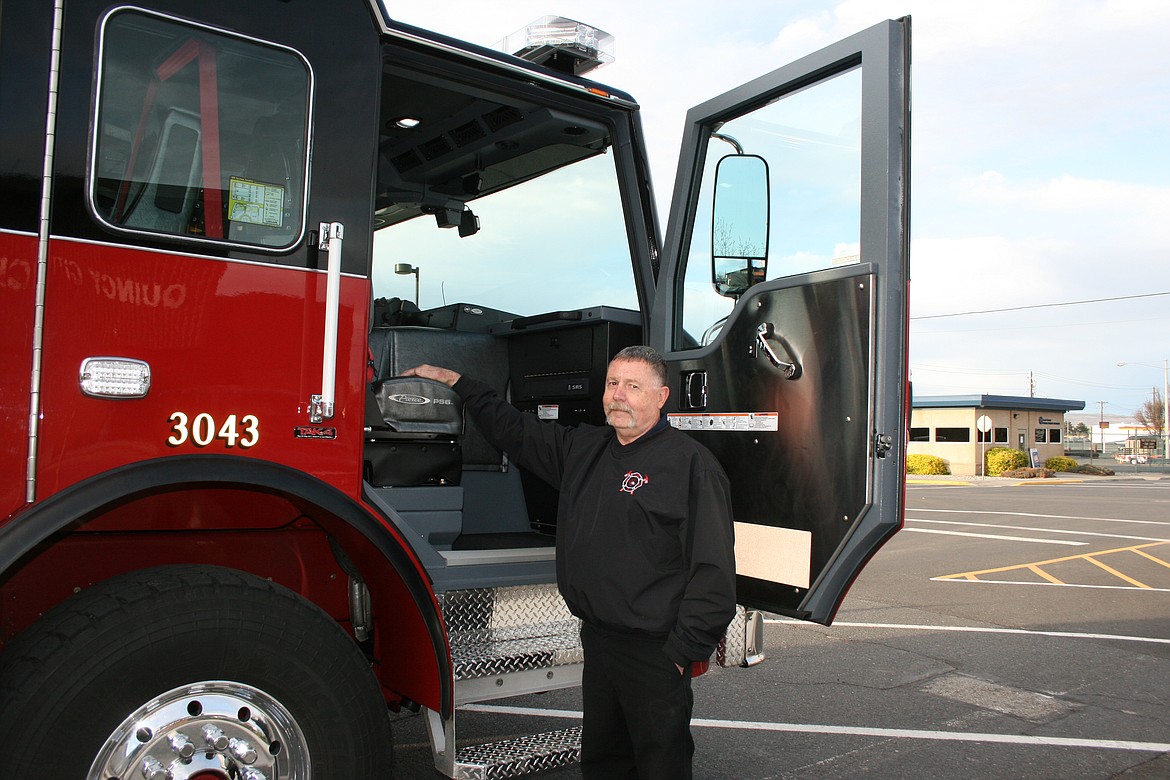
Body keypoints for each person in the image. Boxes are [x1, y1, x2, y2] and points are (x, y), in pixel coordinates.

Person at [404, 345, 736, 779]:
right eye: (613, 383)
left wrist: (681, 652)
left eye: (633, 386)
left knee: (660, 765)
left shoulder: (692, 466)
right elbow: (516, 431)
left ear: (661, 397)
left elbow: (713, 574)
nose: (618, 395)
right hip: (599, 643)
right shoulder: (585, 448)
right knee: (603, 762)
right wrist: (462, 386)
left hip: (655, 651)